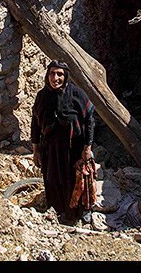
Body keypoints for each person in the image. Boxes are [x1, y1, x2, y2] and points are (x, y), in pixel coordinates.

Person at [30, 60, 95, 223]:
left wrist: (87, 148)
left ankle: (78, 213)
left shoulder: (77, 95)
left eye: (60, 74)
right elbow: (36, 123)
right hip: (50, 149)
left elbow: (89, 121)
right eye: (52, 73)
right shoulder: (42, 96)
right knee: (52, 179)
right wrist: (35, 149)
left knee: (74, 181)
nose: (55, 78)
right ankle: (57, 212)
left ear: (66, 76)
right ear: (47, 75)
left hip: (73, 149)